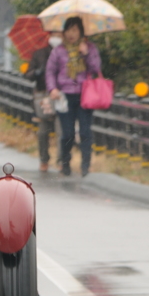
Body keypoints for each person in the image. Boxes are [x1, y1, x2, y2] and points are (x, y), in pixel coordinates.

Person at [46, 16, 102, 177]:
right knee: (68, 133)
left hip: (85, 95)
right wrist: (52, 89)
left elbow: (96, 69)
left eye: (75, 30)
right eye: (68, 30)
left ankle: (86, 165)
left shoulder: (90, 48)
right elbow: (50, 72)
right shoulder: (58, 51)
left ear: (81, 32)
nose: (71, 34)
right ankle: (65, 164)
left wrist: (86, 54)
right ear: (64, 32)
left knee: (85, 131)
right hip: (64, 96)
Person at [24, 32, 62, 172]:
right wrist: (37, 72)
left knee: (61, 131)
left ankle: (61, 161)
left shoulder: (65, 54)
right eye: (55, 34)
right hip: (44, 96)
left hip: (60, 97)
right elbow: (28, 74)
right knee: (42, 132)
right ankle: (44, 160)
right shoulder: (39, 54)